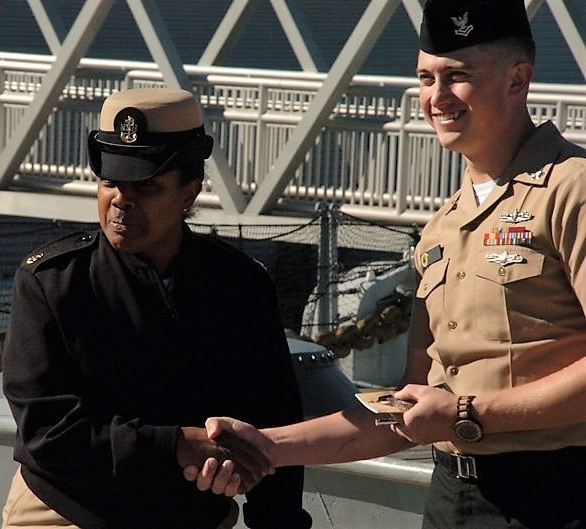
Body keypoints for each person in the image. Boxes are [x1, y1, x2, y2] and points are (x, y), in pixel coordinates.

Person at [186, 1, 586, 528]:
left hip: (556, 496)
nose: (436, 98)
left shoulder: (570, 190)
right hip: (452, 499)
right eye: (425, 78)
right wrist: (268, 446)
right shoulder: (443, 226)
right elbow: (404, 412)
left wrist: (467, 414)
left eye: (457, 77)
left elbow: (449, 411)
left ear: (519, 80)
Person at [0, 87, 311, 529]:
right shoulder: (52, 284)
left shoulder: (241, 287)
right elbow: (47, 433)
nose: (120, 200)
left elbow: (273, 418)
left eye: (145, 186)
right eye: (109, 182)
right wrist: (177, 445)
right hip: (68, 512)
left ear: (190, 191)